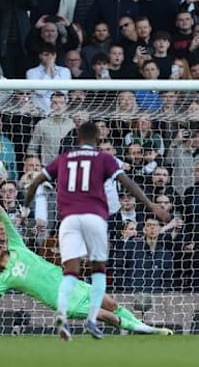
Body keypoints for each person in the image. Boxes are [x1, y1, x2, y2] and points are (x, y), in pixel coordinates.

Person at [0, 180, 173, 336]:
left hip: (74, 285)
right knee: (109, 317)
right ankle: (149, 330)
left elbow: (6, 220)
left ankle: (143, 326)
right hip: (66, 302)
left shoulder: (18, 248)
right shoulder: (6, 279)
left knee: (111, 303)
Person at [23, 122, 169, 340]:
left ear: (78, 138)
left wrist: (26, 209)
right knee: (98, 269)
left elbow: (35, 182)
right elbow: (128, 183)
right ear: (98, 139)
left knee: (70, 271)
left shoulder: (63, 159)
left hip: (69, 220)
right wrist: (151, 206)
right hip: (94, 217)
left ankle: (62, 313)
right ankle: (92, 318)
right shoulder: (104, 158)